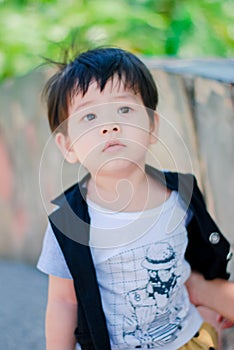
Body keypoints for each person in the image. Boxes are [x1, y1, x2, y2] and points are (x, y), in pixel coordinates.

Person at [37, 47, 233, 350]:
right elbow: (64, 301)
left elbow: (199, 256)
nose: (110, 125)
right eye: (89, 115)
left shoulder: (180, 195)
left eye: (124, 109)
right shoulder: (69, 223)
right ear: (68, 146)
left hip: (190, 337)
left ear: (152, 126)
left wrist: (211, 305)